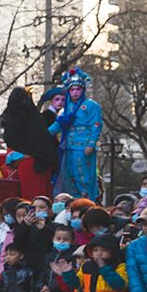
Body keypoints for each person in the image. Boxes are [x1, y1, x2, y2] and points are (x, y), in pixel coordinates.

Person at [50, 66, 103, 199]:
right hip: (68, 146)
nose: (74, 92)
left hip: (83, 146)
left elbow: (96, 125)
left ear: (83, 90)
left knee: (82, 174)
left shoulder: (91, 105)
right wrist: (42, 135)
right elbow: (58, 124)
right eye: (72, 89)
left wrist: (91, 144)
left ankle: (86, 199)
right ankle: (73, 201)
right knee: (69, 175)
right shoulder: (67, 108)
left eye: (78, 89)